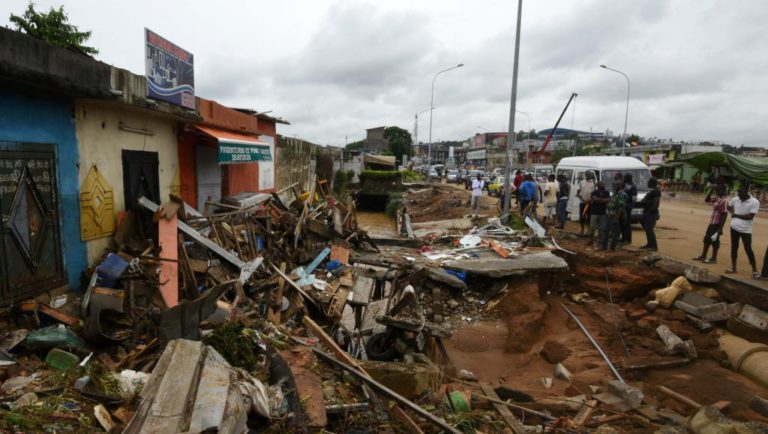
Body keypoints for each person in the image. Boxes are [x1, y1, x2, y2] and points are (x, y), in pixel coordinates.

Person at [727, 185, 759, 276]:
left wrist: (736, 215)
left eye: (741, 193)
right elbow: (729, 206)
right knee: (734, 247)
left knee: (748, 249)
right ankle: (733, 267)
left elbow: (750, 216)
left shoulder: (754, 202)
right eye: (738, 192)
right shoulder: (735, 199)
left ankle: (755, 270)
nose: (739, 195)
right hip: (734, 228)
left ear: (747, 192)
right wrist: (732, 212)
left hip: (746, 230)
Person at [693, 184, 729, 264]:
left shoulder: (725, 201)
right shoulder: (718, 198)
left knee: (715, 241)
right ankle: (703, 255)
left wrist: (720, 228)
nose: (716, 191)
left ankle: (713, 258)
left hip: (717, 224)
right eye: (716, 190)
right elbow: (707, 200)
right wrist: (711, 190)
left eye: (717, 190)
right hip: (712, 222)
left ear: (723, 190)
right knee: (706, 239)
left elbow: (724, 214)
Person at [637, 177, 661, 251]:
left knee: (649, 230)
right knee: (647, 230)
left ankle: (654, 246)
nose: (647, 183)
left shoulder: (656, 191)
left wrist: (649, 211)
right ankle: (649, 244)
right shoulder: (652, 191)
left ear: (652, 183)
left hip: (651, 213)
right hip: (648, 212)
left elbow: (656, 203)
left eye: (649, 182)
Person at [602, 181, 627, 251]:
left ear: (620, 186)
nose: (614, 186)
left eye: (616, 185)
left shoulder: (622, 194)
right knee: (605, 231)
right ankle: (604, 246)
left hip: (615, 215)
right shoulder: (614, 193)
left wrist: (616, 218)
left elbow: (621, 207)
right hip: (609, 214)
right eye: (614, 185)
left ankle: (612, 248)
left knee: (614, 233)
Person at [588, 181, 610, 247]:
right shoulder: (594, 192)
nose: (603, 185)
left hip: (602, 213)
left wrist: (599, 200)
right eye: (602, 184)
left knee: (601, 229)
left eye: (603, 184)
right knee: (592, 227)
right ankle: (590, 240)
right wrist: (603, 200)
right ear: (598, 185)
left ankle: (599, 242)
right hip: (594, 212)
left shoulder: (606, 192)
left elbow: (608, 200)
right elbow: (595, 199)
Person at [577, 171, 596, 237]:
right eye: (588, 174)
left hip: (590, 203)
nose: (589, 176)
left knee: (589, 218)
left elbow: (595, 194)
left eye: (590, 175)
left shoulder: (594, 183)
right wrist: (583, 200)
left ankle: (588, 231)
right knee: (582, 217)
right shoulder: (581, 182)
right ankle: (582, 230)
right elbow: (577, 193)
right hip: (582, 203)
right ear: (586, 175)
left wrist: (591, 200)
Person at [621, 173, 638, 244]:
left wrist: (630, 204)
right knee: (623, 223)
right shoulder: (625, 185)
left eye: (624, 177)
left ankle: (628, 240)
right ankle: (624, 238)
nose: (623, 179)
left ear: (627, 178)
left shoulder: (633, 187)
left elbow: (634, 199)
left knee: (627, 223)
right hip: (624, 205)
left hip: (628, 206)